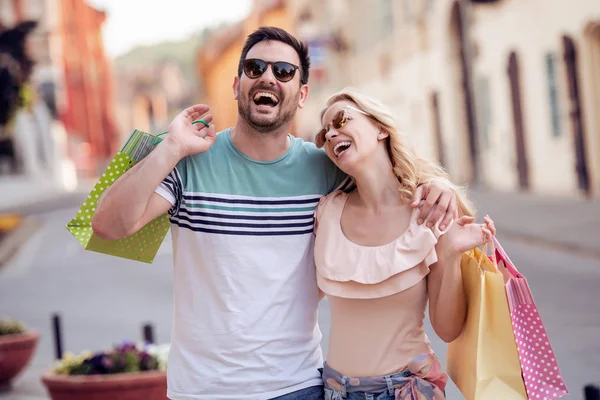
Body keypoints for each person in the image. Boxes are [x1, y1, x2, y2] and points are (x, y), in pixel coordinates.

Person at [92, 27, 459, 400]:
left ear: (301, 95)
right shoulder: (186, 157)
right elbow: (104, 226)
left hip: (297, 386)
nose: (267, 76)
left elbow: (387, 178)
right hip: (201, 391)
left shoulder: (325, 168)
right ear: (237, 84)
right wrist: (169, 147)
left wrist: (437, 187)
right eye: (255, 67)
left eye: (283, 71)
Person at [313, 88, 495, 400]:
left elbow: (448, 329)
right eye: (324, 133)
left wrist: (449, 253)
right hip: (335, 391)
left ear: (381, 128)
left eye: (341, 120)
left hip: (405, 391)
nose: (331, 133)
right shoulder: (326, 212)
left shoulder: (429, 211)